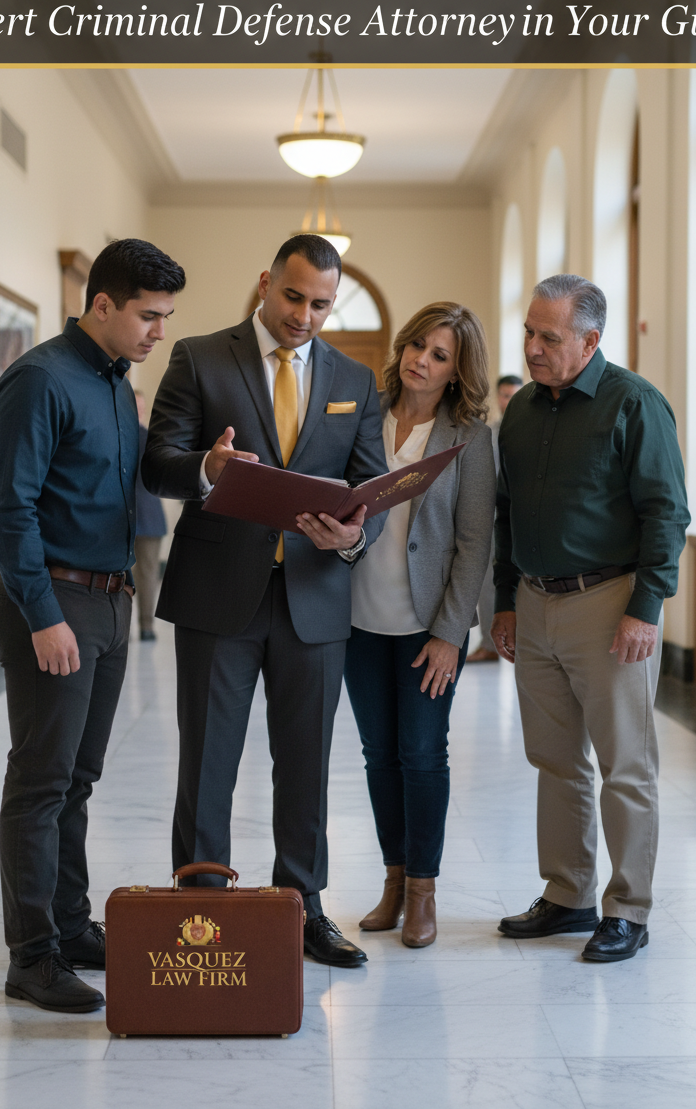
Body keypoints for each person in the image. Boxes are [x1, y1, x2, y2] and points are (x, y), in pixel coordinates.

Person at [142, 234, 389, 968]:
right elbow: (158, 463)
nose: (304, 316)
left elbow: (368, 494)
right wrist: (208, 469)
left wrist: (346, 537)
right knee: (209, 758)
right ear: (265, 283)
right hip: (219, 594)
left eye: (320, 303)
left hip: (315, 596)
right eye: (293, 297)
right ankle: (201, 902)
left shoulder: (356, 378)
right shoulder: (199, 356)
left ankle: (304, 908)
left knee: (306, 762)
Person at [0, 239, 186, 1012]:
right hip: (55, 603)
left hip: (108, 600)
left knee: (78, 779)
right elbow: (10, 509)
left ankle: (70, 926)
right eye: (148, 316)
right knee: (39, 783)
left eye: (166, 318)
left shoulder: (114, 380)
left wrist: (206, 469)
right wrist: (41, 616)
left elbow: (135, 482)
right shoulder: (40, 380)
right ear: (102, 303)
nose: (157, 332)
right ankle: (30, 955)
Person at [492, 274, 690, 962]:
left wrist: (646, 607)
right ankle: (568, 894)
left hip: (609, 604)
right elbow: (504, 513)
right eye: (530, 332)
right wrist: (507, 601)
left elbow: (666, 511)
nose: (535, 347)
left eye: (550, 337)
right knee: (554, 760)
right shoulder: (518, 413)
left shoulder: (632, 403)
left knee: (624, 764)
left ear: (590, 340)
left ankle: (628, 908)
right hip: (536, 600)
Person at [344, 303, 496, 947]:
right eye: (416, 346)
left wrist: (450, 634)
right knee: (379, 755)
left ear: (458, 372)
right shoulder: (360, 416)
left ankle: (424, 892)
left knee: (422, 754)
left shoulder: (471, 439)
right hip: (354, 618)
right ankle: (392, 880)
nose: (421, 361)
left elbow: (473, 543)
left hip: (426, 626)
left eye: (440, 355)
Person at [466, 373, 523, 663]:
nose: (509, 400)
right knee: (491, 581)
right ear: (498, 398)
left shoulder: (532, 431)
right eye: (504, 395)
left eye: (515, 394)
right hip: (493, 521)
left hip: (524, 522)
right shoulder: (489, 434)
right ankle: (489, 644)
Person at [132, 389, 168, 641]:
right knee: (144, 574)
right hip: (132, 516)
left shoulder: (150, 438)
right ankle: (143, 627)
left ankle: (144, 626)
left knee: (144, 575)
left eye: (141, 406)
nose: (139, 410)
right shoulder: (149, 438)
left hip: (145, 516)